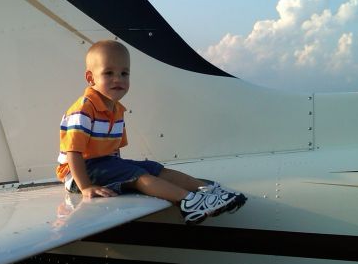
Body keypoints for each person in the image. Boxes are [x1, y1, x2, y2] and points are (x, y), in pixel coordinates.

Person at [56, 40, 246, 225]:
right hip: (78, 173)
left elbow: (114, 152)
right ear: (91, 78)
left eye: (124, 73)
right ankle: (189, 202)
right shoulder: (83, 109)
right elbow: (73, 152)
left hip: (103, 164)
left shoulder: (117, 110)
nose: (118, 79)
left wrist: (118, 170)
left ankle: (206, 190)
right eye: (109, 73)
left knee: (154, 168)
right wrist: (86, 186)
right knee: (137, 175)